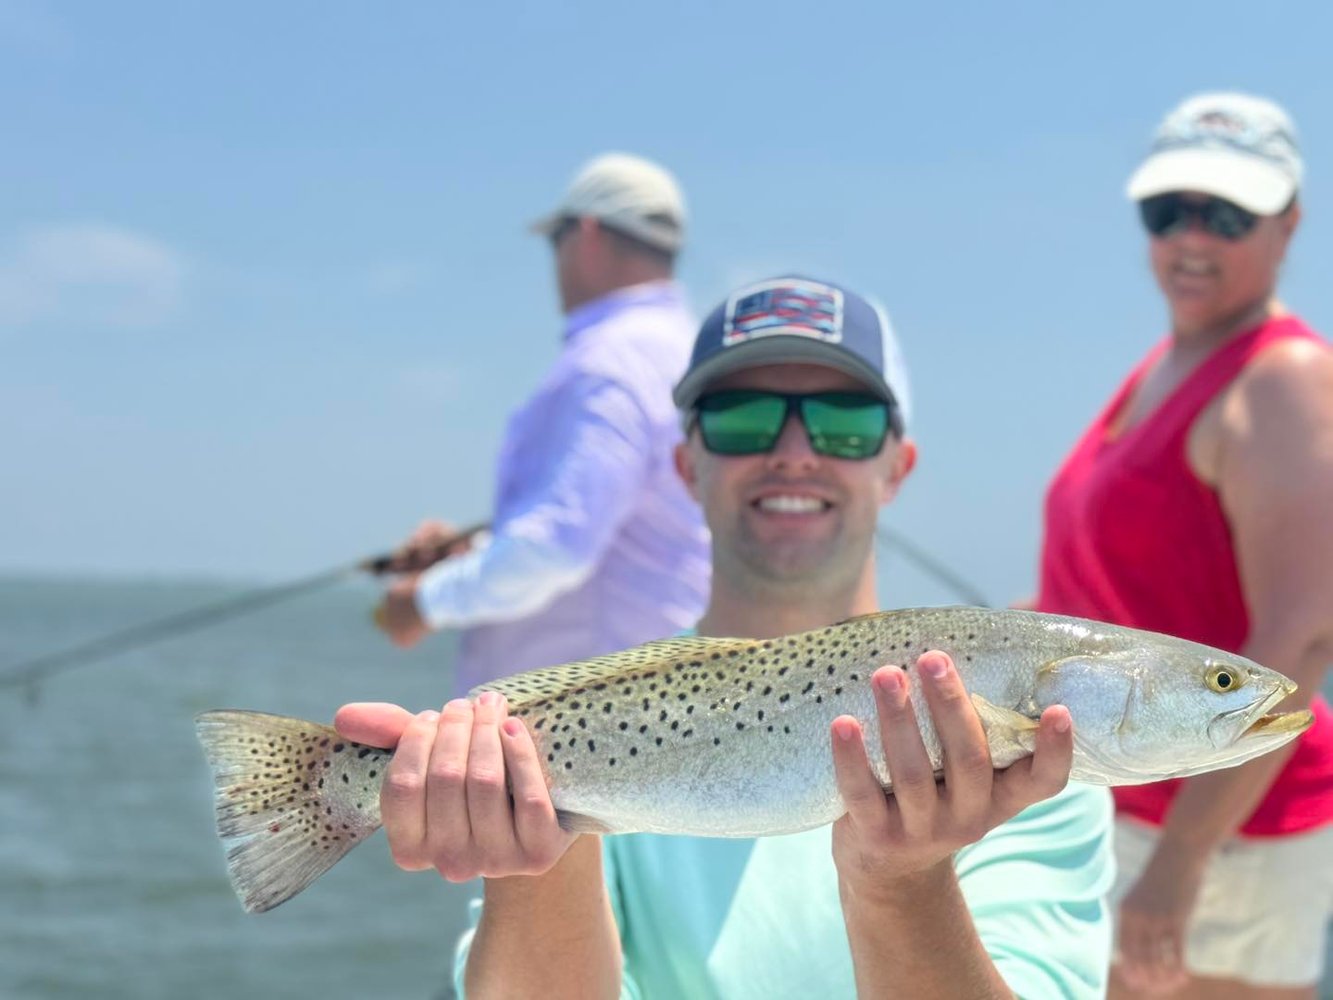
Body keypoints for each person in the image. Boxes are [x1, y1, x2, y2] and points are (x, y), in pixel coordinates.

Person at [338, 276, 1116, 998]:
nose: (792, 451)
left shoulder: (1046, 763)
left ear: (897, 465)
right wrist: (530, 855)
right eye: (742, 419)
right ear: (685, 467)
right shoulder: (577, 726)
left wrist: (901, 884)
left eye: (843, 425)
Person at [1033, 93, 1333, 998]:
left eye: (1227, 215)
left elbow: (1306, 635)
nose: (1190, 239)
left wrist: (1179, 863)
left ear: (1287, 225)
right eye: (1168, 212)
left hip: (1224, 838)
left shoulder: (1282, 381)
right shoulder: (1165, 367)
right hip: (1119, 808)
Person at [375, 153, 711, 693]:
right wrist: (480, 549)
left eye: (554, 241)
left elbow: (557, 546)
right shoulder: (692, 353)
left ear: (587, 233)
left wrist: (422, 601)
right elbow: (630, 525)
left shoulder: (609, 363)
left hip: (585, 727)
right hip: (659, 706)